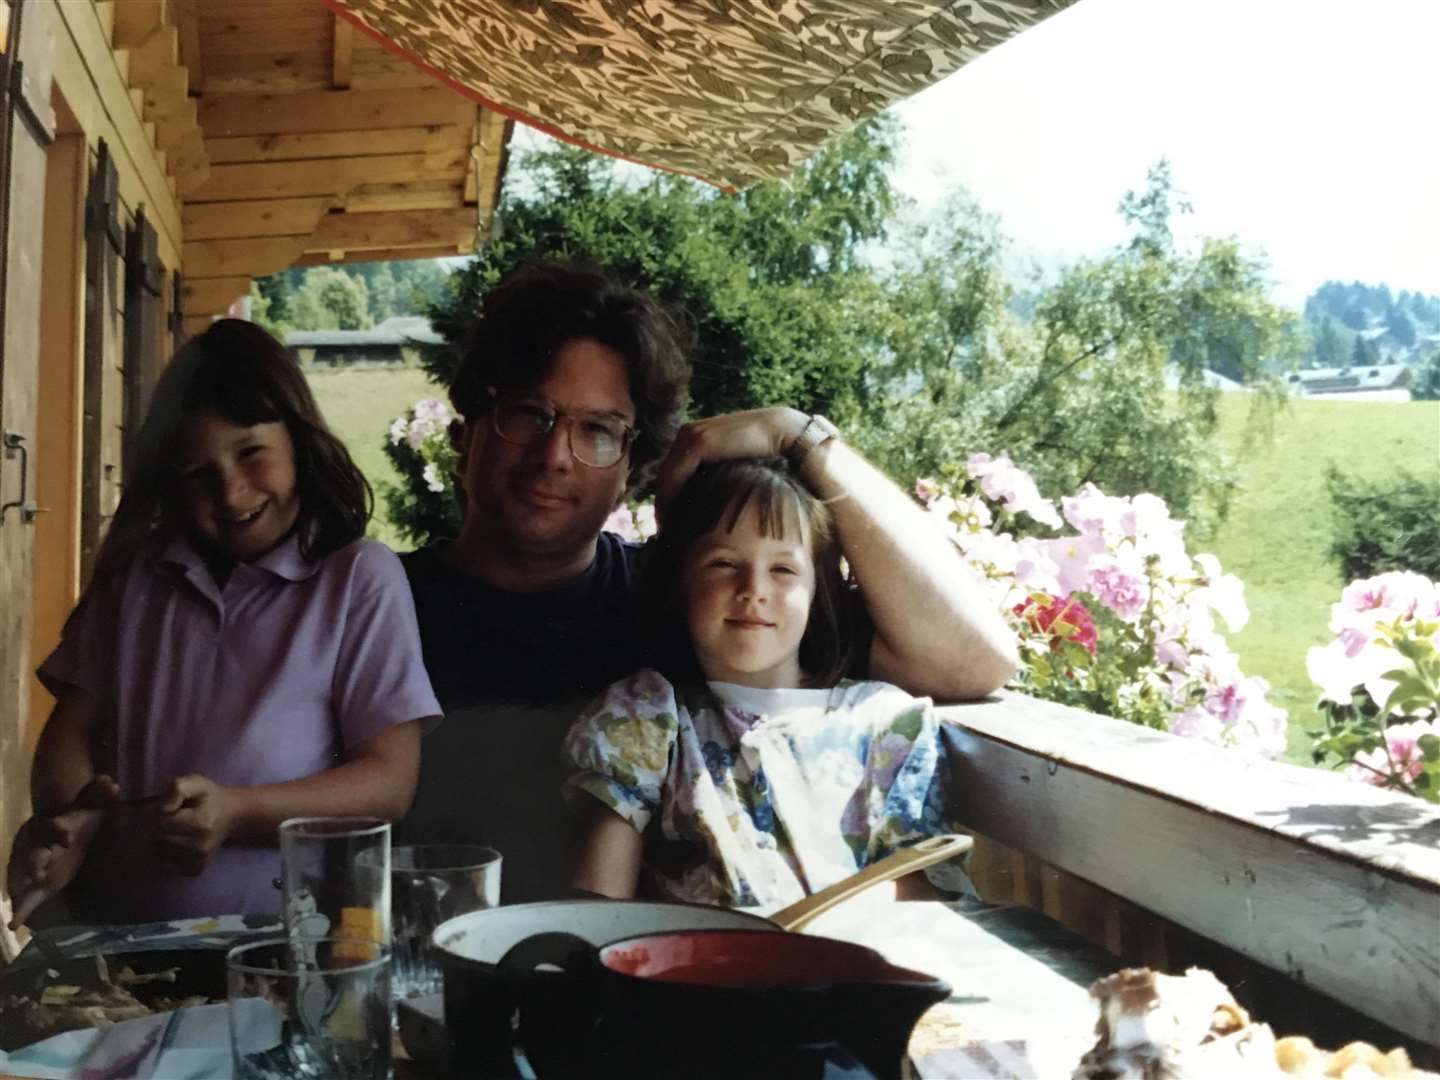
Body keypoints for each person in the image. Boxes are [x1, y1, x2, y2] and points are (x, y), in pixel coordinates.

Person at [399, 261, 1017, 903]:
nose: (556, 455)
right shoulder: (372, 609)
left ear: (634, 468)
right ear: (464, 432)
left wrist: (797, 435)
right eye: (530, 414)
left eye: (599, 431)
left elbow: (976, 659)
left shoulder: (687, 605)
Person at [5, 320, 440, 928]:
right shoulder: (135, 578)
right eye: (198, 474)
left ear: (300, 440)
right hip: (115, 946)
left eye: (251, 453)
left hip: (291, 952)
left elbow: (389, 783)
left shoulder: (357, 579)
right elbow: (68, 738)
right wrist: (76, 817)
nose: (232, 494)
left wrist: (240, 810)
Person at [563, 458, 954, 906]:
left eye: (783, 569)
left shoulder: (884, 724)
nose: (754, 589)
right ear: (680, 582)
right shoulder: (646, 720)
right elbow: (598, 904)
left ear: (817, 588)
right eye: (724, 563)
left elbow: (922, 903)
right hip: (690, 969)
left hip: (853, 968)